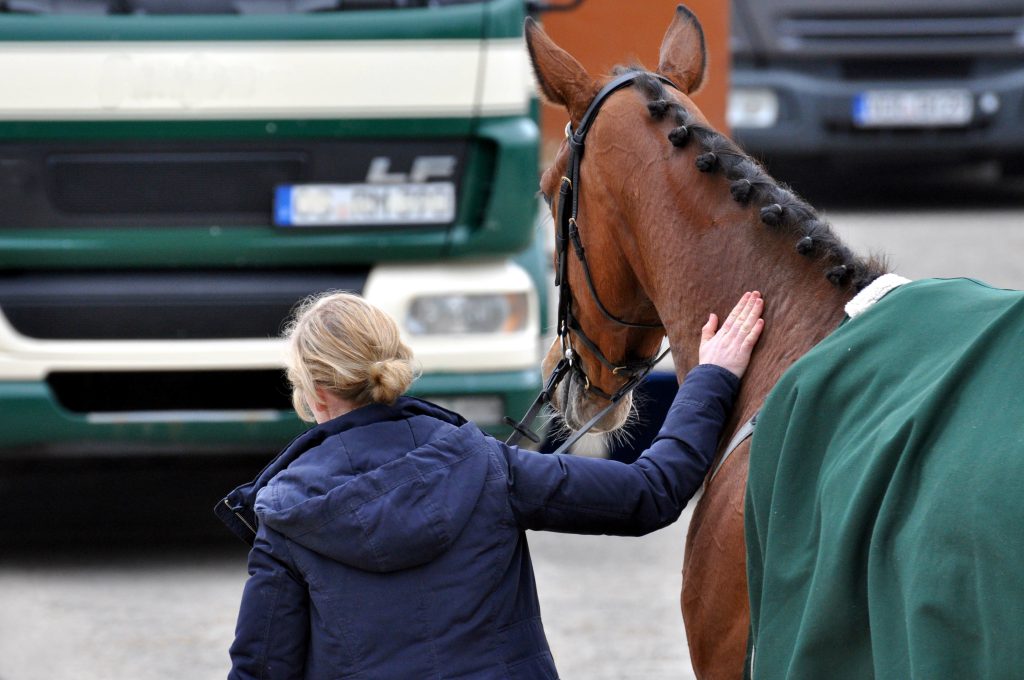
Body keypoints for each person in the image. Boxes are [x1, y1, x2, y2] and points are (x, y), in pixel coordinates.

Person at [219, 290, 765, 680]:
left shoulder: (286, 512)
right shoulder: (484, 465)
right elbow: (652, 492)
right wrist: (712, 376)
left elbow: (262, 669)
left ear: (313, 391)